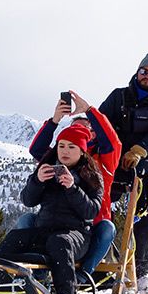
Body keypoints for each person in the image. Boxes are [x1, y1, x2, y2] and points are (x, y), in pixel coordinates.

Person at [0, 122, 103, 294]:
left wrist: (73, 188)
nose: (65, 151)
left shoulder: (91, 175)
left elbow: (92, 211)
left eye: (71, 147)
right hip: (44, 230)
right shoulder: (47, 168)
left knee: (59, 241)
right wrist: (37, 181)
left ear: (82, 151)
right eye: (61, 145)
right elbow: (27, 200)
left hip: (76, 235)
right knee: (14, 238)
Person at [27, 90, 121, 277]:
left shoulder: (104, 160)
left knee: (107, 228)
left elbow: (112, 142)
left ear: (93, 134)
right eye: (74, 129)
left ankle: (84, 274)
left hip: (89, 227)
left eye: (86, 129)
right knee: (26, 220)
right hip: (55, 225)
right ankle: (32, 269)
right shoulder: (61, 156)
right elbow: (37, 150)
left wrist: (89, 111)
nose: (78, 133)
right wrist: (54, 120)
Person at [99, 53, 148, 292]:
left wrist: (140, 151)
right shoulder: (119, 96)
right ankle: (101, 262)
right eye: (144, 71)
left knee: (145, 216)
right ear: (137, 71)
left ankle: (142, 271)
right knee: (98, 207)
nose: (146, 76)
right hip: (114, 165)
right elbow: (101, 121)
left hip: (144, 169)